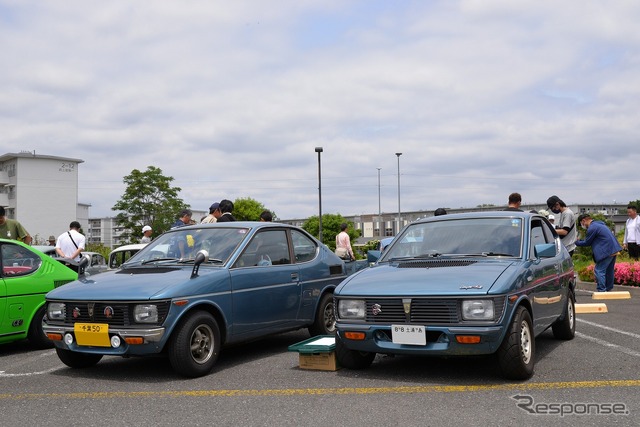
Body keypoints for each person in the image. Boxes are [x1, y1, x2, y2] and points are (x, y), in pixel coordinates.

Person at [575, 214, 622, 292]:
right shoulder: (599, 224)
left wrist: (576, 242)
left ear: (583, 221)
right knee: (609, 271)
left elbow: (587, 242)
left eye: (581, 224)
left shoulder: (592, 228)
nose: (583, 226)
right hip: (614, 249)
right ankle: (608, 288)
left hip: (606, 251)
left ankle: (602, 290)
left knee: (599, 270)